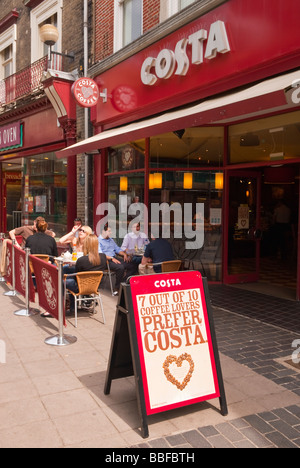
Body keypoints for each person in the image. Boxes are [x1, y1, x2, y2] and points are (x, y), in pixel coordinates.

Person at [65, 234, 107, 314]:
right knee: (69, 273)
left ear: (86, 245)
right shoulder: (103, 257)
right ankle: (85, 300)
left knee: (62, 281)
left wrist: (75, 265)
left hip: (81, 287)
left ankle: (71, 307)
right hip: (95, 286)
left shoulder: (82, 260)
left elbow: (77, 275)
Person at [98, 224, 137, 295]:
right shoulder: (98, 240)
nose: (111, 233)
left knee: (132, 265)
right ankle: (117, 287)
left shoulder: (111, 240)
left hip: (114, 258)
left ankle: (123, 282)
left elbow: (117, 249)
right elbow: (101, 254)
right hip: (105, 260)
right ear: (103, 231)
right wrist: (111, 258)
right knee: (120, 267)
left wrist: (124, 254)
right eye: (109, 231)